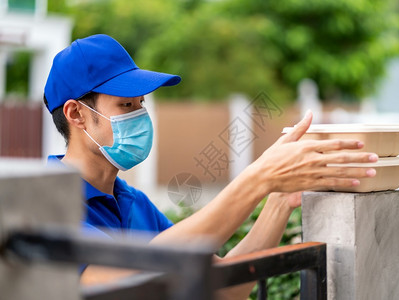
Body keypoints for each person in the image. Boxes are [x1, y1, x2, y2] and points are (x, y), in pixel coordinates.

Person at [44, 34, 378, 298]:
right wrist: (258, 178)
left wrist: (277, 199)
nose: (139, 116)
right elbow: (126, 273)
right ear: (76, 114)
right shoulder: (44, 207)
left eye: (141, 104)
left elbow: (222, 289)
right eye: (125, 104)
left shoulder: (133, 204)